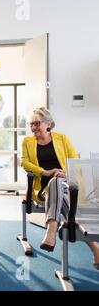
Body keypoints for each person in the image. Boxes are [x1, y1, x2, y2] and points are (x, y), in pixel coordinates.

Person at [21, 107, 99, 270]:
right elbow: (24, 163)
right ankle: (95, 249)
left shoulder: (61, 138)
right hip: (43, 189)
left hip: (66, 184)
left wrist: (67, 174)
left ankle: (51, 231)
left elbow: (74, 160)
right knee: (56, 185)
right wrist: (45, 172)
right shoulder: (27, 142)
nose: (34, 127)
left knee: (58, 182)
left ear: (48, 123)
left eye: (37, 123)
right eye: (31, 124)